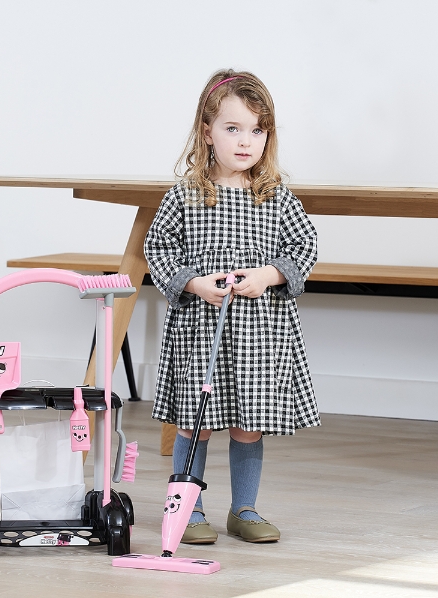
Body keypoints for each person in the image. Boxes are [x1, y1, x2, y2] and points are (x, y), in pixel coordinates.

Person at [144, 69, 320, 545]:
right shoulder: (184, 197)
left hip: (260, 334)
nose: (246, 141)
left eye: (257, 131)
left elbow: (304, 248)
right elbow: (157, 250)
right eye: (233, 128)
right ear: (207, 131)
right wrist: (195, 284)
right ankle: (190, 507)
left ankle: (244, 508)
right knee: (195, 423)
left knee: (248, 427)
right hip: (200, 328)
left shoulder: (277, 199)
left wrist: (267, 275)